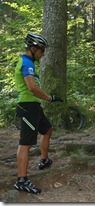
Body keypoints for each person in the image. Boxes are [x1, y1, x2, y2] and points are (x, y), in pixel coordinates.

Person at [14, 33, 63, 194]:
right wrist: (49, 98)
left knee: (47, 129)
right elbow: (32, 88)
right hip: (27, 106)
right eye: (42, 51)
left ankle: (44, 160)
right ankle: (21, 180)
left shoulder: (28, 62)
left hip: (34, 106)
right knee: (25, 143)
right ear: (33, 49)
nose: (43, 54)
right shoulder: (26, 63)